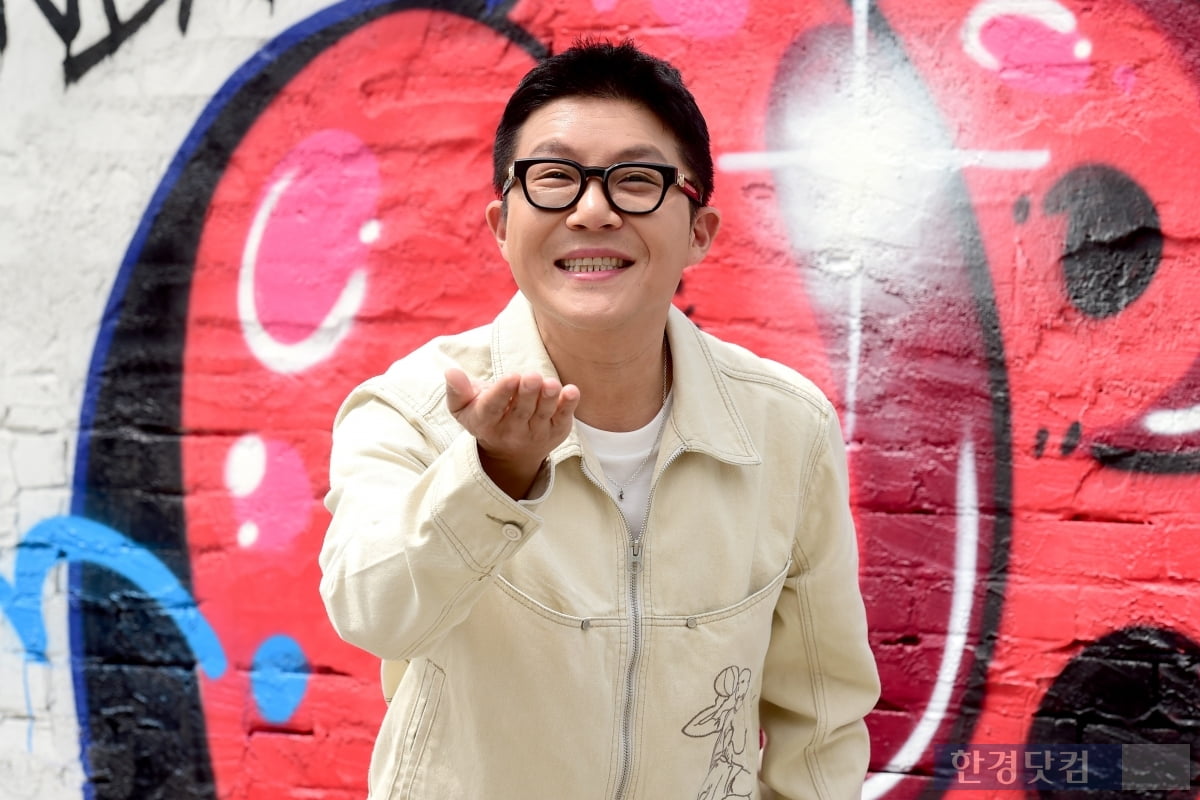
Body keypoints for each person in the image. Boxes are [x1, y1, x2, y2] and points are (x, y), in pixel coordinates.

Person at [318, 39, 880, 799]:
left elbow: (822, 715)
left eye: (637, 180)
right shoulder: (414, 409)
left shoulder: (787, 428)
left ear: (700, 232)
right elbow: (372, 612)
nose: (592, 211)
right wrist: (491, 478)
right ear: (501, 224)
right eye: (553, 178)